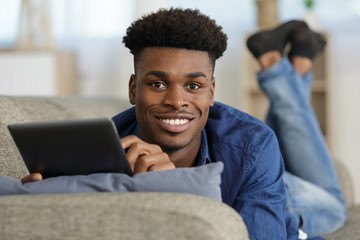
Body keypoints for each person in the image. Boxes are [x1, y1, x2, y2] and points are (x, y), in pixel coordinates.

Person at [21, 8, 346, 239]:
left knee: (334, 206)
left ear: (211, 92)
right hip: (252, 176)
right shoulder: (104, 151)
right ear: (133, 89)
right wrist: (45, 198)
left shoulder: (251, 145)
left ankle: (292, 64)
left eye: (193, 86)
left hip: (270, 189)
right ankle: (293, 63)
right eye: (158, 84)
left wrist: (176, 189)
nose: (177, 101)